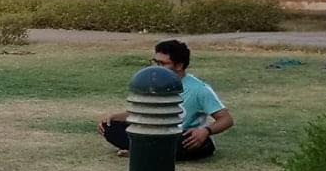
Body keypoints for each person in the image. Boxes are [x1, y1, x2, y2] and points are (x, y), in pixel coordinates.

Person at [98, 39, 234, 160]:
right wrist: (113, 117)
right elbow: (142, 114)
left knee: (196, 144)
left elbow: (226, 119)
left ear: (179, 65)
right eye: (155, 62)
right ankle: (149, 152)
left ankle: (142, 152)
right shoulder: (154, 83)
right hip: (154, 133)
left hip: (181, 137)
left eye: (162, 63)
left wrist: (205, 131)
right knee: (109, 127)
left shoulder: (199, 89)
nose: (156, 67)